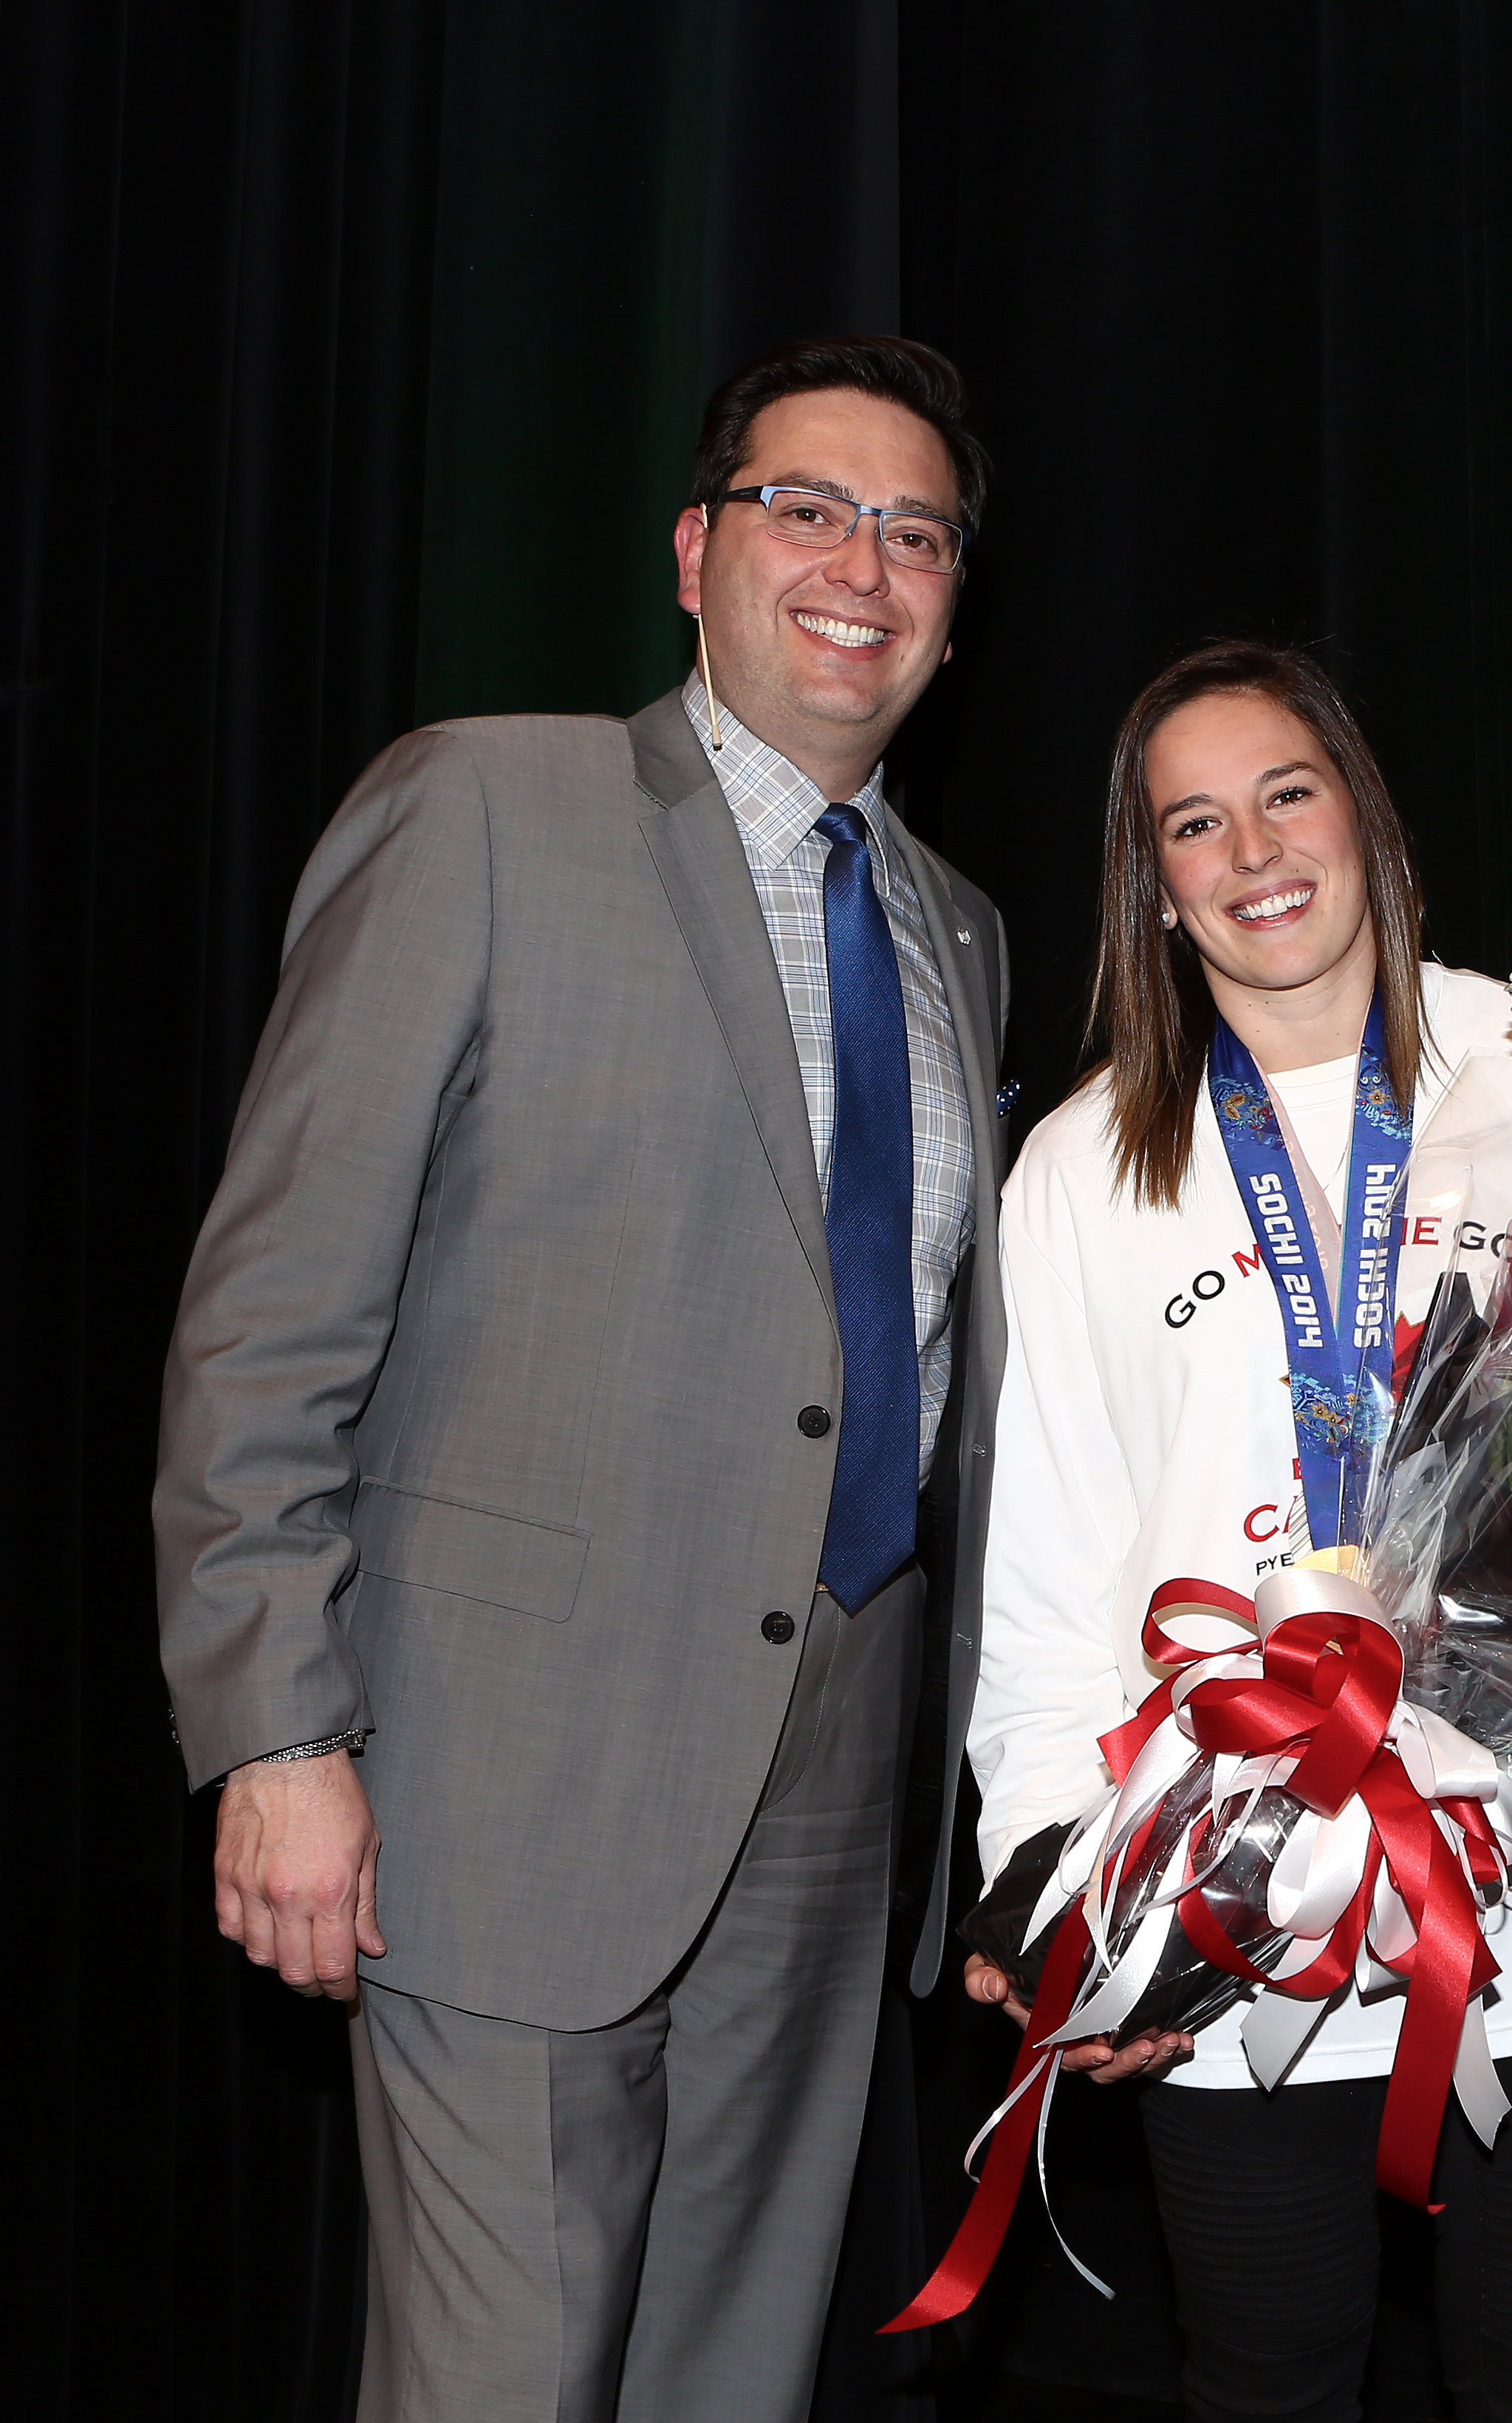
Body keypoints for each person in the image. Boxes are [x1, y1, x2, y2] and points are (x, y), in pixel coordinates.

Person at [155, 336, 1008, 2422]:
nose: (864, 567)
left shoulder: (962, 931)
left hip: (833, 1773)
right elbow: (274, 1307)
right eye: (810, 510)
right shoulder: (482, 803)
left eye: (915, 534)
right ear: (697, 553)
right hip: (501, 1766)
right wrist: (275, 1727)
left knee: (737, 2374)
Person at [964, 641, 1512, 2423]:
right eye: (1195, 822)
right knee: (1262, 2381)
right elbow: (1042, 1564)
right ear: (1152, 882)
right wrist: (1055, 1882)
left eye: (1288, 792)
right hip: (1229, 1889)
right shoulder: (1085, 1161)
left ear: (1363, 811)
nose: (1254, 849)